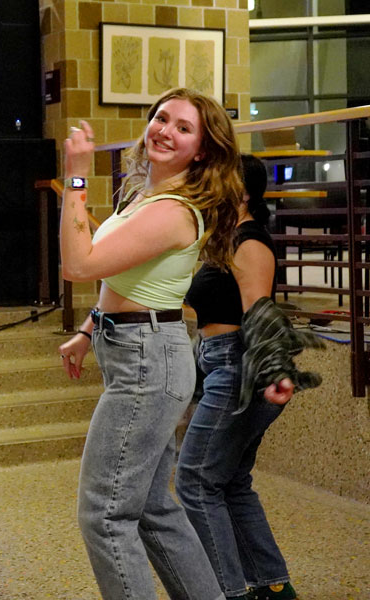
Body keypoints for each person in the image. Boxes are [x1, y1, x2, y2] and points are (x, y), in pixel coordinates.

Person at [57, 87, 244, 600]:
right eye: (162, 118)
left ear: (202, 150)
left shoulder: (174, 210)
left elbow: (77, 264)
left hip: (148, 361)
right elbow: (125, 278)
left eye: (183, 128)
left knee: (105, 514)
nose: (165, 130)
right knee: (155, 511)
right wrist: (89, 327)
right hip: (139, 352)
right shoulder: (146, 195)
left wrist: (75, 175)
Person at [176, 154, 298, 600]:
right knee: (229, 481)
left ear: (243, 193)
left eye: (219, 180)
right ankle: (273, 585)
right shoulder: (222, 239)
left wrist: (272, 371)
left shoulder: (250, 243)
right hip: (218, 362)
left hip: (238, 368)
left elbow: (258, 313)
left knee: (195, 481)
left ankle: (228, 592)